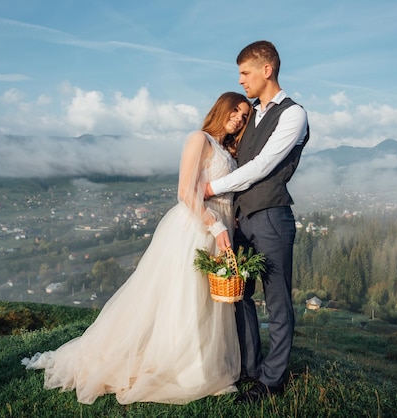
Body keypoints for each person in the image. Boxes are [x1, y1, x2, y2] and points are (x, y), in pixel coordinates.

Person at [22, 92, 252, 405]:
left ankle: (201, 364)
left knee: (207, 301)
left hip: (219, 228)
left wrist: (230, 221)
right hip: (198, 228)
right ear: (221, 108)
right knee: (185, 297)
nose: (239, 118)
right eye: (236, 111)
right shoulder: (200, 139)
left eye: (244, 115)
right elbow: (186, 191)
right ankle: (184, 367)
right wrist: (215, 225)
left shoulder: (227, 147)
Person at [205, 40, 309, 403]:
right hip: (239, 221)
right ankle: (250, 368)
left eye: (245, 72)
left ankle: (272, 381)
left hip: (271, 217)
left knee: (277, 300)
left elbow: (262, 166)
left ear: (267, 70)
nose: (241, 80)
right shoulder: (249, 113)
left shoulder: (294, 114)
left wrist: (210, 187)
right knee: (239, 296)